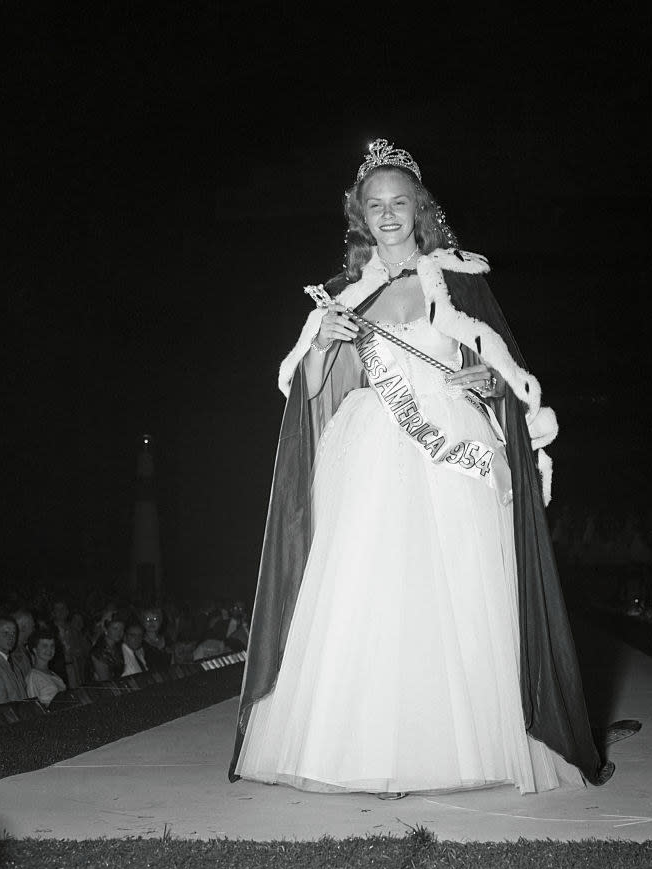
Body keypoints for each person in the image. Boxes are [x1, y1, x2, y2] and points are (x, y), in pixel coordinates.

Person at [229, 139, 612, 795]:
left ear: (420, 210)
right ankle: (362, 750)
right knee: (372, 591)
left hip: (451, 445)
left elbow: (502, 375)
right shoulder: (347, 292)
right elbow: (312, 390)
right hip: (373, 444)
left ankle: (471, 749)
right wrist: (323, 340)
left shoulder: (458, 278)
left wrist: (486, 382)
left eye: (399, 202)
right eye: (374, 205)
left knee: (459, 588)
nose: (387, 214)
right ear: (359, 215)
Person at [0, 616, 26, 707]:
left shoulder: (12, 663)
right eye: (6, 633)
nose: (11, 637)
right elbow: (0, 709)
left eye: (14, 633)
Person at [24, 629, 67, 707]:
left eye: (52, 646)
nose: (49, 650)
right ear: (35, 650)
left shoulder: (53, 674)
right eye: (45, 646)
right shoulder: (33, 676)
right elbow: (35, 707)